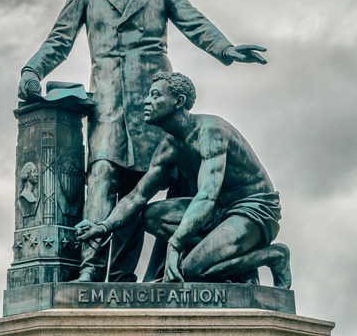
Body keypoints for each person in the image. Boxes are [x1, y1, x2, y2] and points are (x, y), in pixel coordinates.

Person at [18, 0, 267, 283]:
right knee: (102, 179)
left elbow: (195, 23)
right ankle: (92, 270)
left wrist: (226, 49)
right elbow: (59, 40)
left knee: (176, 185)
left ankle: (172, 272)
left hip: (160, 108)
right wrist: (33, 69)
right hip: (110, 108)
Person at [75, 72, 291, 288]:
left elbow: (207, 195)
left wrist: (175, 244)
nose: (146, 101)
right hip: (218, 211)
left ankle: (272, 256)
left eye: (155, 95)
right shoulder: (168, 148)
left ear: (178, 101)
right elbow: (137, 197)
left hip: (253, 210)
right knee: (150, 216)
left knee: (190, 271)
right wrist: (103, 227)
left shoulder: (210, 131)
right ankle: (227, 256)